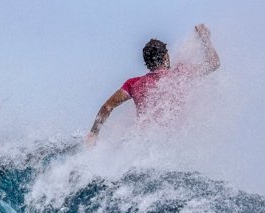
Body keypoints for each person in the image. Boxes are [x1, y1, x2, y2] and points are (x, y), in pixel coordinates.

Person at [85, 24, 220, 145]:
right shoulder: (180, 74)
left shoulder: (133, 84)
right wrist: (205, 39)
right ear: (166, 57)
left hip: (141, 143)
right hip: (170, 144)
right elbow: (214, 64)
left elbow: (107, 107)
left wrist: (94, 133)